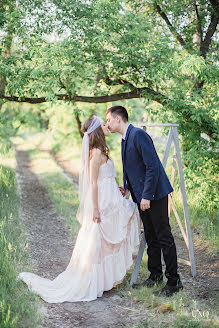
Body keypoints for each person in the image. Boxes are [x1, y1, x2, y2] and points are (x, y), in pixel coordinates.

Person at [18, 115, 140, 303]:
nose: (107, 125)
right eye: (103, 124)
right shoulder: (96, 152)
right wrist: (96, 209)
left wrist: (116, 188)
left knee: (110, 235)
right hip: (102, 201)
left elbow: (104, 178)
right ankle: (93, 281)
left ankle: (104, 280)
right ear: (97, 131)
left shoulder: (102, 150)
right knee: (100, 239)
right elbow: (92, 182)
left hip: (110, 197)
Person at [106, 105, 183, 296]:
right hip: (140, 196)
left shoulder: (138, 135)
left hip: (154, 194)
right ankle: (155, 276)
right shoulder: (125, 139)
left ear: (117, 118)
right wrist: (127, 187)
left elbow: (152, 167)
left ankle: (174, 281)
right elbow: (134, 168)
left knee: (164, 236)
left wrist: (147, 195)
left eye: (108, 120)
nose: (107, 124)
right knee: (150, 236)